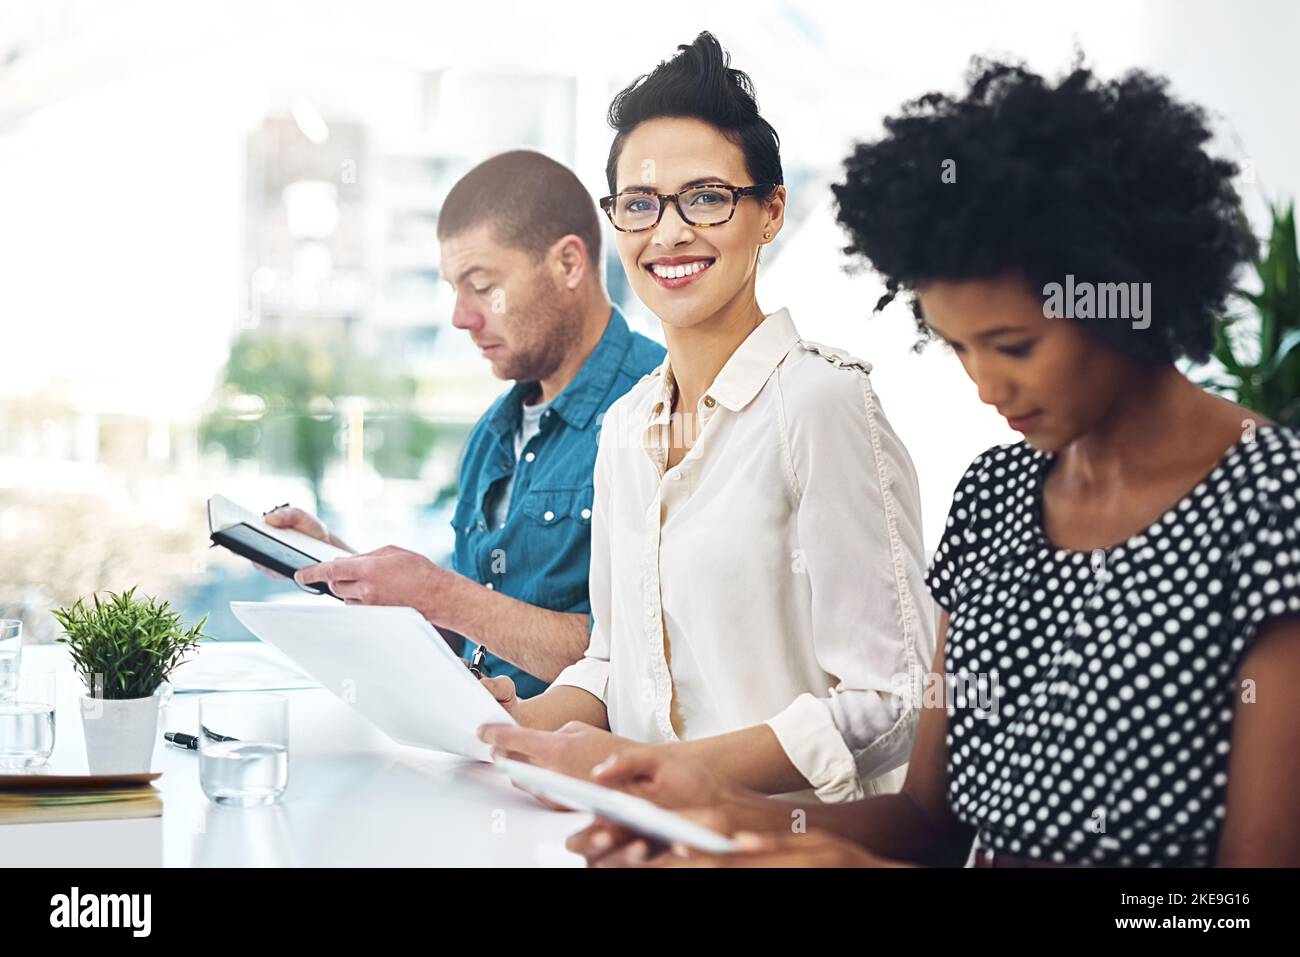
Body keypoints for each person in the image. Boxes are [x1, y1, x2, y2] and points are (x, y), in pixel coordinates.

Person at [565, 57, 1300, 867]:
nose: (987, 386)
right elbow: (926, 823)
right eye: (957, 346)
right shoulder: (996, 496)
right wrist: (720, 809)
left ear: (1126, 298)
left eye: (1015, 346)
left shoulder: (1268, 501)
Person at [477, 33, 934, 805]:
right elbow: (614, 661)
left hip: (784, 848)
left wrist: (681, 775)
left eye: (708, 198)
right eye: (640, 205)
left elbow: (895, 704)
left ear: (770, 213)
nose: (670, 232)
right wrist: (516, 723)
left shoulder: (822, 405)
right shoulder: (625, 427)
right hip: (640, 837)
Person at [279, 150, 665, 697]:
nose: (461, 317)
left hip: (585, 771)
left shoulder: (659, 409)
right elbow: (467, 632)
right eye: (453, 289)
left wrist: (441, 593)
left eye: (481, 285)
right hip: (478, 757)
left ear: (569, 264)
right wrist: (340, 567)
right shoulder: (493, 434)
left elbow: (645, 656)